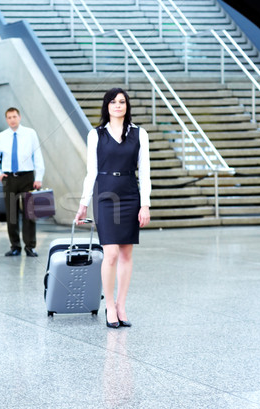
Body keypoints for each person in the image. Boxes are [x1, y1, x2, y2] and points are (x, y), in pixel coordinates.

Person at [74, 88, 151, 328]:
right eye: (113, 102)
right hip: (105, 194)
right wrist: (83, 203)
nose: (118, 105)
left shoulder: (140, 134)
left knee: (127, 253)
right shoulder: (96, 134)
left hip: (130, 193)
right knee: (111, 254)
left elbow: (145, 171)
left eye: (122, 102)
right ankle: (109, 305)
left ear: (127, 106)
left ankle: (121, 305)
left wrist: (145, 203)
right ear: (106, 106)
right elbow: (91, 172)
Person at [0, 107, 45, 257]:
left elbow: (38, 155)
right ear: (6, 119)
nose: (12, 120)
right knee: (12, 214)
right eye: (9, 117)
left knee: (30, 213)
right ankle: (15, 246)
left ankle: (30, 247)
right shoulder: (1, 137)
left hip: (27, 177)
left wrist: (39, 177)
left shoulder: (30, 134)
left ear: (20, 117)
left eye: (14, 116)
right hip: (9, 179)